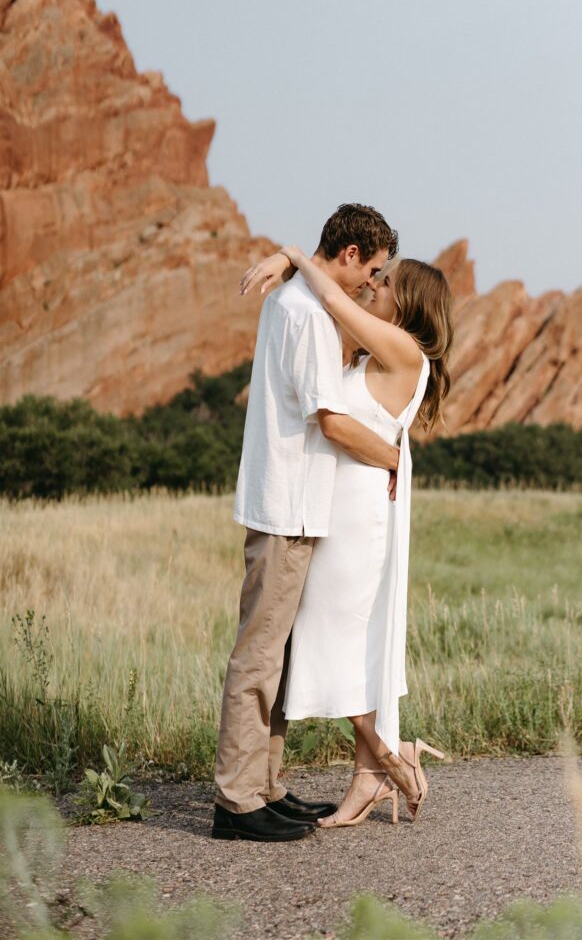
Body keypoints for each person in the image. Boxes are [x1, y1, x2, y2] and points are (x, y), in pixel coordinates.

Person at [240, 243, 455, 828]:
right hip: (341, 503)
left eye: (384, 285)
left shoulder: (404, 348)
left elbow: (331, 295)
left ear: (405, 302)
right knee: (342, 638)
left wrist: (290, 253)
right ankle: (371, 775)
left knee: (329, 635)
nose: (373, 289)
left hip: (359, 513)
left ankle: (391, 759)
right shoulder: (377, 350)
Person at [212, 203, 400, 843]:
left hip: (290, 501)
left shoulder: (291, 300)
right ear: (349, 253)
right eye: (371, 271)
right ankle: (236, 802)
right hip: (286, 504)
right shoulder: (308, 316)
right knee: (259, 657)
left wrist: (289, 253)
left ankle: (265, 786)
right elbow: (333, 420)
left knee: (279, 659)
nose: (371, 285)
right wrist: (394, 456)